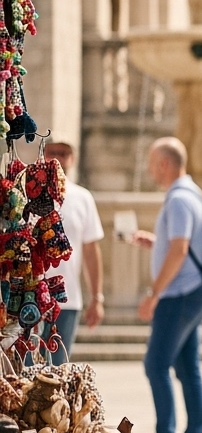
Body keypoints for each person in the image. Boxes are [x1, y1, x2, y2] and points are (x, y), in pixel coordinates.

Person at [130, 138, 202, 433]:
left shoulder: (178, 199)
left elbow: (179, 249)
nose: (150, 170)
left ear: (165, 164)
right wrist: (155, 242)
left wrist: (154, 293)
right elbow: (182, 244)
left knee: (156, 364)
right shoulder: (193, 194)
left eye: (152, 163)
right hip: (194, 291)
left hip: (178, 294)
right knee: (187, 366)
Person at [42, 139, 105, 363]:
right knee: (26, 373)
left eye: (64, 153)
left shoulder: (82, 198)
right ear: (43, 154)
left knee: (58, 371)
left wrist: (96, 298)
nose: (58, 158)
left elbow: (90, 250)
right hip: (28, 297)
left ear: (73, 159)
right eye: (53, 152)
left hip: (66, 300)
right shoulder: (27, 193)